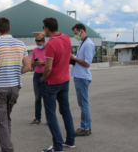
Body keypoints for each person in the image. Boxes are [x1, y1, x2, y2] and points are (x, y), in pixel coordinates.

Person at [0, 17, 31, 152]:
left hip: (0, 88)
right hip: (14, 87)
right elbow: (28, 66)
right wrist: (14, 71)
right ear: (9, 29)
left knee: (0, 122)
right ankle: (6, 148)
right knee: (6, 119)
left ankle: (7, 149)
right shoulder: (21, 44)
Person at [41, 18, 75, 152]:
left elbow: (48, 67)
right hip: (65, 79)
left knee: (51, 114)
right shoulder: (66, 38)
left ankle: (58, 145)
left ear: (47, 29)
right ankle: (70, 140)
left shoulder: (50, 44)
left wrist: (43, 79)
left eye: (44, 28)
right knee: (65, 110)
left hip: (52, 82)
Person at [70, 23, 95, 136]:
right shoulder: (82, 43)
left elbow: (87, 63)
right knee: (83, 103)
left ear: (82, 31)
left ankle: (85, 127)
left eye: (76, 33)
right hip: (79, 76)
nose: (75, 35)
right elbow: (80, 60)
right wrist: (73, 58)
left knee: (83, 104)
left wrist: (74, 58)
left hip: (82, 77)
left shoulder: (88, 44)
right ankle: (86, 127)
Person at [30, 35, 46, 125]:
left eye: (39, 41)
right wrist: (33, 63)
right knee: (37, 98)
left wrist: (43, 62)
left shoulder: (48, 49)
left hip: (46, 75)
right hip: (36, 75)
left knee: (47, 98)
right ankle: (37, 118)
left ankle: (49, 119)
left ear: (44, 41)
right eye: (36, 41)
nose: (38, 43)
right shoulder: (35, 50)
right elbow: (32, 63)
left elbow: (53, 62)